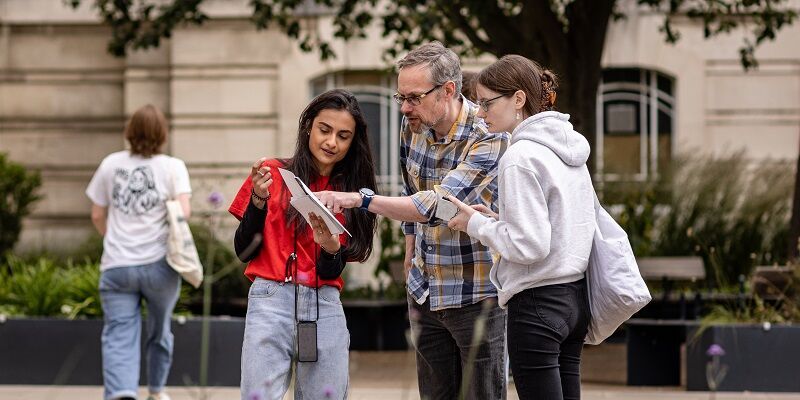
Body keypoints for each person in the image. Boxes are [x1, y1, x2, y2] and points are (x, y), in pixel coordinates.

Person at [316, 42, 509, 400]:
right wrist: (410, 255)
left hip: (477, 296)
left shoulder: (489, 137)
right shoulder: (413, 127)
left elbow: (433, 204)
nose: (405, 108)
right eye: (400, 97)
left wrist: (361, 199)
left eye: (414, 98)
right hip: (425, 292)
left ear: (448, 90)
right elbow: (410, 189)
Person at [446, 55, 594, 400]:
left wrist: (476, 224)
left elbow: (530, 246)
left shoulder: (519, 157)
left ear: (518, 99)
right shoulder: (567, 147)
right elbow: (566, 223)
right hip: (574, 299)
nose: (480, 113)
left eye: (486, 103)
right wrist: (500, 222)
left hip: (537, 302)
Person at [229, 89, 377, 400]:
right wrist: (258, 200)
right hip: (270, 299)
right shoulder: (272, 173)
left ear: (353, 142)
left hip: (325, 303)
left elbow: (335, 267)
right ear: (308, 126)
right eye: (325, 130)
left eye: (343, 135)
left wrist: (330, 248)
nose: (331, 142)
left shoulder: (350, 193)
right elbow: (243, 250)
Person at [86, 104, 190, 400]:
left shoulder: (110, 164)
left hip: (117, 266)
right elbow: (183, 211)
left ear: (129, 132)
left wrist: (114, 238)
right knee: (160, 332)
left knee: (119, 333)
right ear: (163, 134)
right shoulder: (173, 167)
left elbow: (96, 214)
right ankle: (156, 391)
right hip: (160, 266)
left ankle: (122, 392)